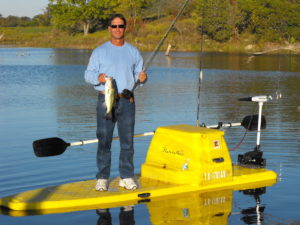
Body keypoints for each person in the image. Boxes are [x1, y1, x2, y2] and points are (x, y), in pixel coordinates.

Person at [84, 14, 147, 191]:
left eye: (120, 26)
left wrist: (142, 78)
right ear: (109, 28)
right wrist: (98, 77)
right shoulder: (99, 51)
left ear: (125, 28)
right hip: (105, 100)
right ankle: (103, 177)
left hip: (127, 101)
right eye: (114, 26)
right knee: (104, 139)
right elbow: (87, 75)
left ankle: (126, 176)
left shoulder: (133, 51)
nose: (117, 29)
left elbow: (138, 77)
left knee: (127, 142)